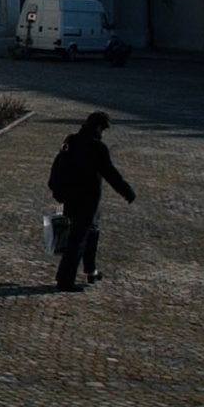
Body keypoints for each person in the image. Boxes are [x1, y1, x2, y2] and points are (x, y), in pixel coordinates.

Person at [53, 111, 135, 292]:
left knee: (91, 232)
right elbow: (110, 174)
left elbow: (59, 165)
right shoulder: (96, 147)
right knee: (77, 239)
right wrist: (127, 192)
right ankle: (65, 280)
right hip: (87, 200)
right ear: (98, 127)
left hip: (69, 196)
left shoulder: (72, 140)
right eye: (103, 129)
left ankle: (91, 270)